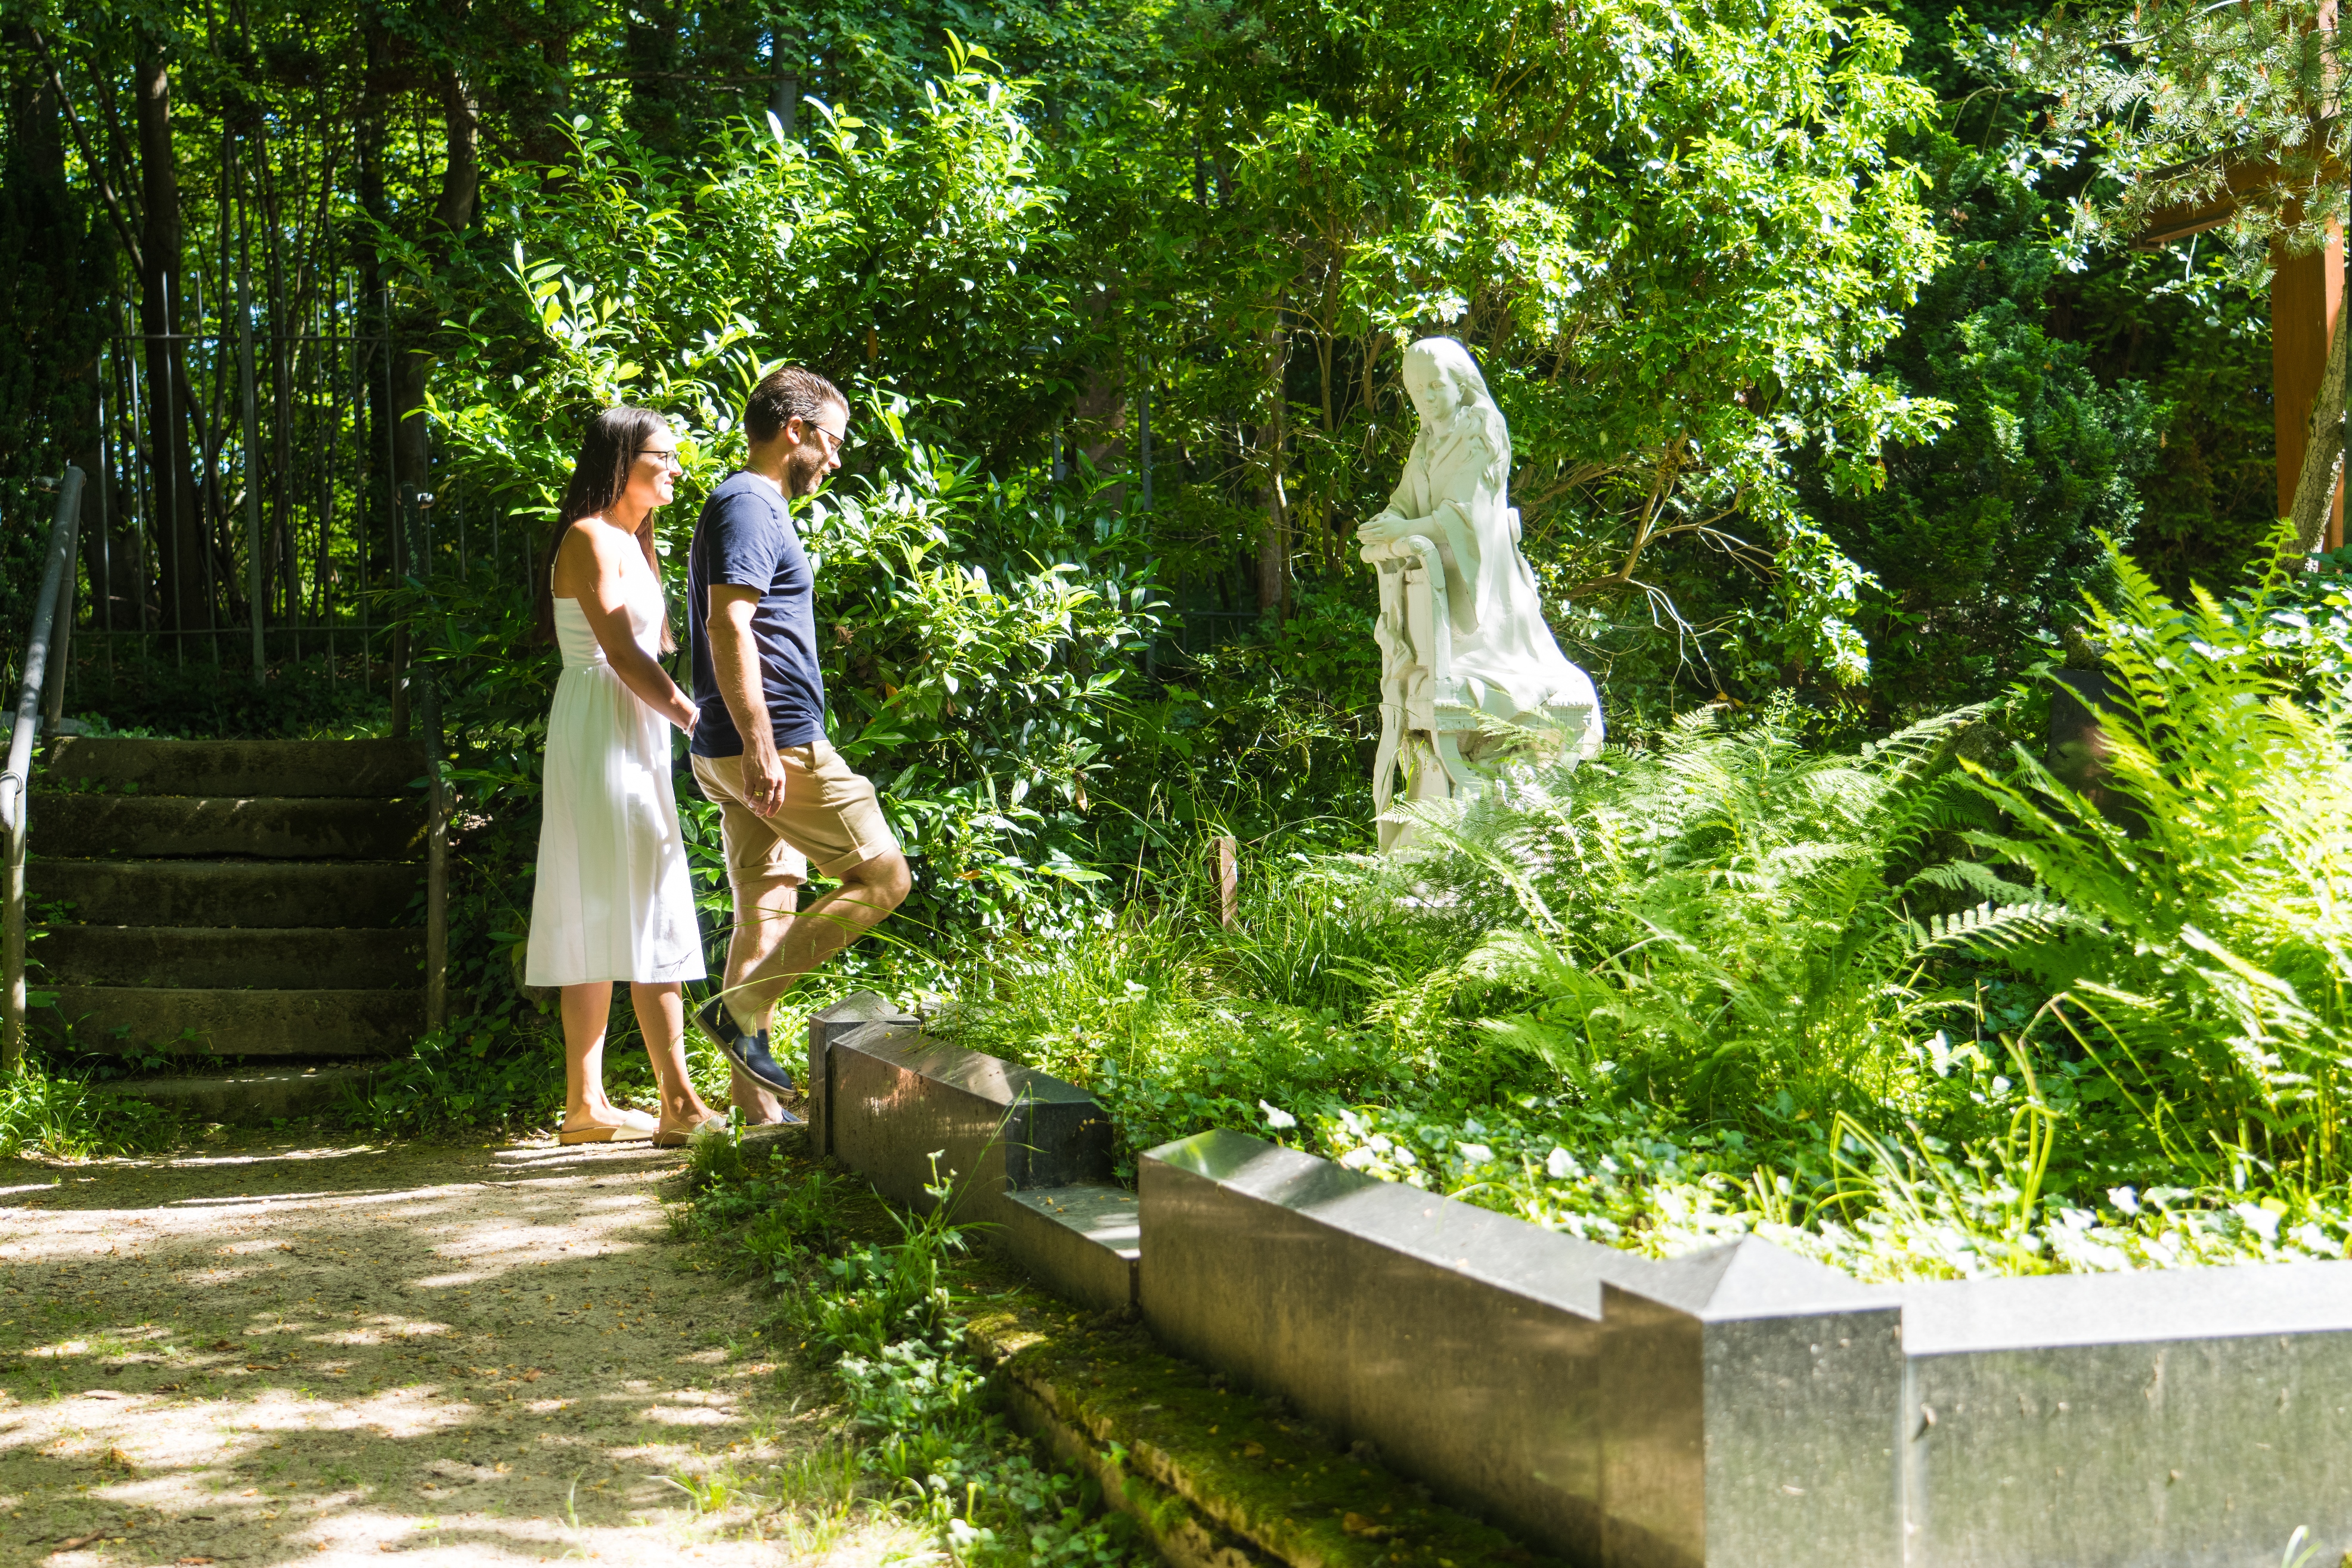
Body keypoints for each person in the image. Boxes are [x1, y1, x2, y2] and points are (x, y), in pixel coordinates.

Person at [686, 367, 912, 1118]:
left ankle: (757, 1115)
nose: (837, 461)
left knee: (767, 912)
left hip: (735, 745)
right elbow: (729, 625)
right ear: (797, 431)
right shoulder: (751, 502)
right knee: (884, 879)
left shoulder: (745, 502)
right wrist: (759, 744)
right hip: (774, 744)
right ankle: (739, 1006)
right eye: (834, 442)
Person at [525, 406, 723, 1146]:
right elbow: (623, 653)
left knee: (614, 896)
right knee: (646, 897)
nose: (675, 467)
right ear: (620, 460)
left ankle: (587, 1104)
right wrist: (692, 715)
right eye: (661, 456)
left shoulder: (635, 543)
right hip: (607, 727)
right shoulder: (589, 538)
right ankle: (677, 1102)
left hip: (620, 727)